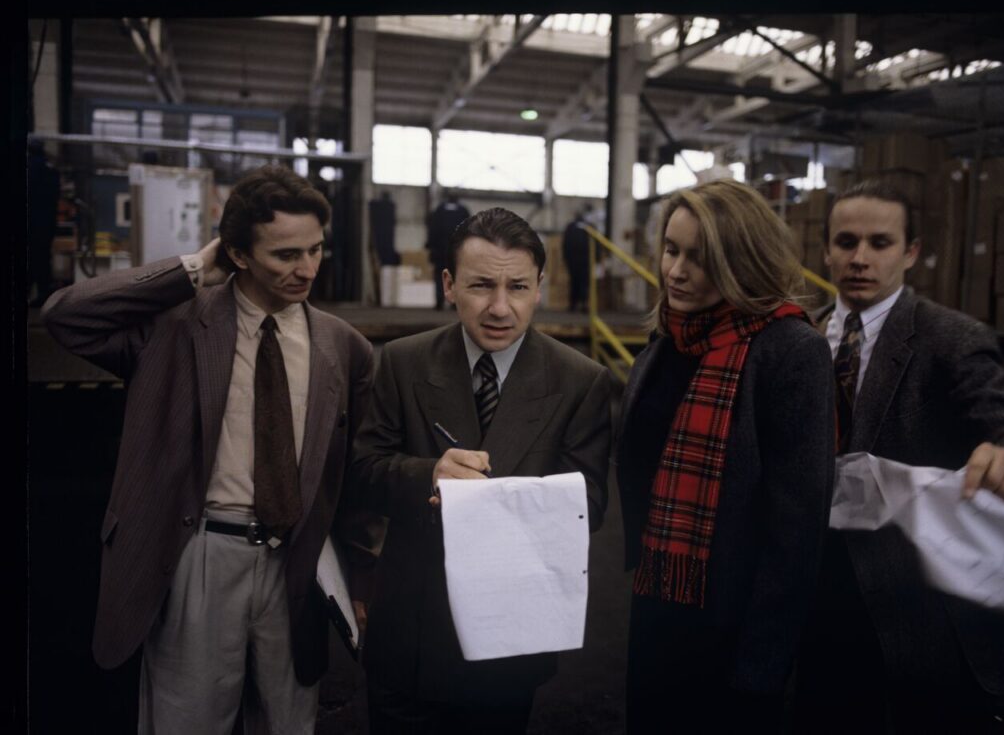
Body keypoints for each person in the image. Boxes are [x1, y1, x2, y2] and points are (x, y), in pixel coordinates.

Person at [41, 164, 375, 734]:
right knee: (185, 720)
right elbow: (67, 317)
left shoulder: (343, 347)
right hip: (198, 551)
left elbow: (353, 475)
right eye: (286, 255)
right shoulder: (174, 329)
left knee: (289, 720)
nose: (307, 269)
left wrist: (359, 581)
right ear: (240, 255)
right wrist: (195, 268)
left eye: (316, 250)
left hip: (294, 560)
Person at [350, 207, 612, 734]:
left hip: (508, 637)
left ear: (540, 286)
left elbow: (593, 503)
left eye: (517, 286)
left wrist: (493, 507)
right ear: (448, 284)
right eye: (480, 286)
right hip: (410, 630)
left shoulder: (581, 380)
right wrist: (427, 475)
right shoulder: (401, 362)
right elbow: (359, 470)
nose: (499, 307)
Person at [793, 180, 1004, 734]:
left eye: (880, 242)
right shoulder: (796, 339)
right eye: (846, 242)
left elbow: (1001, 421)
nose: (860, 258)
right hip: (808, 586)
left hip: (905, 599)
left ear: (911, 252)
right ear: (825, 251)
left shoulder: (952, 338)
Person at [615, 178, 835, 733]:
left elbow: (798, 527)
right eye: (671, 250)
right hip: (659, 603)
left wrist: (761, 666)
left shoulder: (790, 351)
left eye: (700, 257)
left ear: (742, 260)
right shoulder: (668, 342)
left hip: (734, 625)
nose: (676, 271)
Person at [27, 139, 61, 306]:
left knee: (32, 258)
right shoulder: (51, 169)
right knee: (42, 257)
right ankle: (43, 292)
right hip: (47, 221)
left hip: (32, 221)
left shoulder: (30, 168)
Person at [425, 190, 470, 310]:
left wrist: (430, 246)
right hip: (457, 251)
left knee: (440, 276)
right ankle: (454, 302)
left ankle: (439, 301)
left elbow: (432, 230)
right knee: (456, 275)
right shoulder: (463, 211)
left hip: (440, 251)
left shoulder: (439, 211)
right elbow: (469, 231)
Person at [562, 204, 592, 313]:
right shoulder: (586, 226)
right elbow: (565, 244)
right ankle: (576, 304)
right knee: (578, 282)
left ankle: (579, 304)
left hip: (581, 260)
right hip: (579, 260)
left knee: (580, 282)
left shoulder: (585, 227)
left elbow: (565, 244)